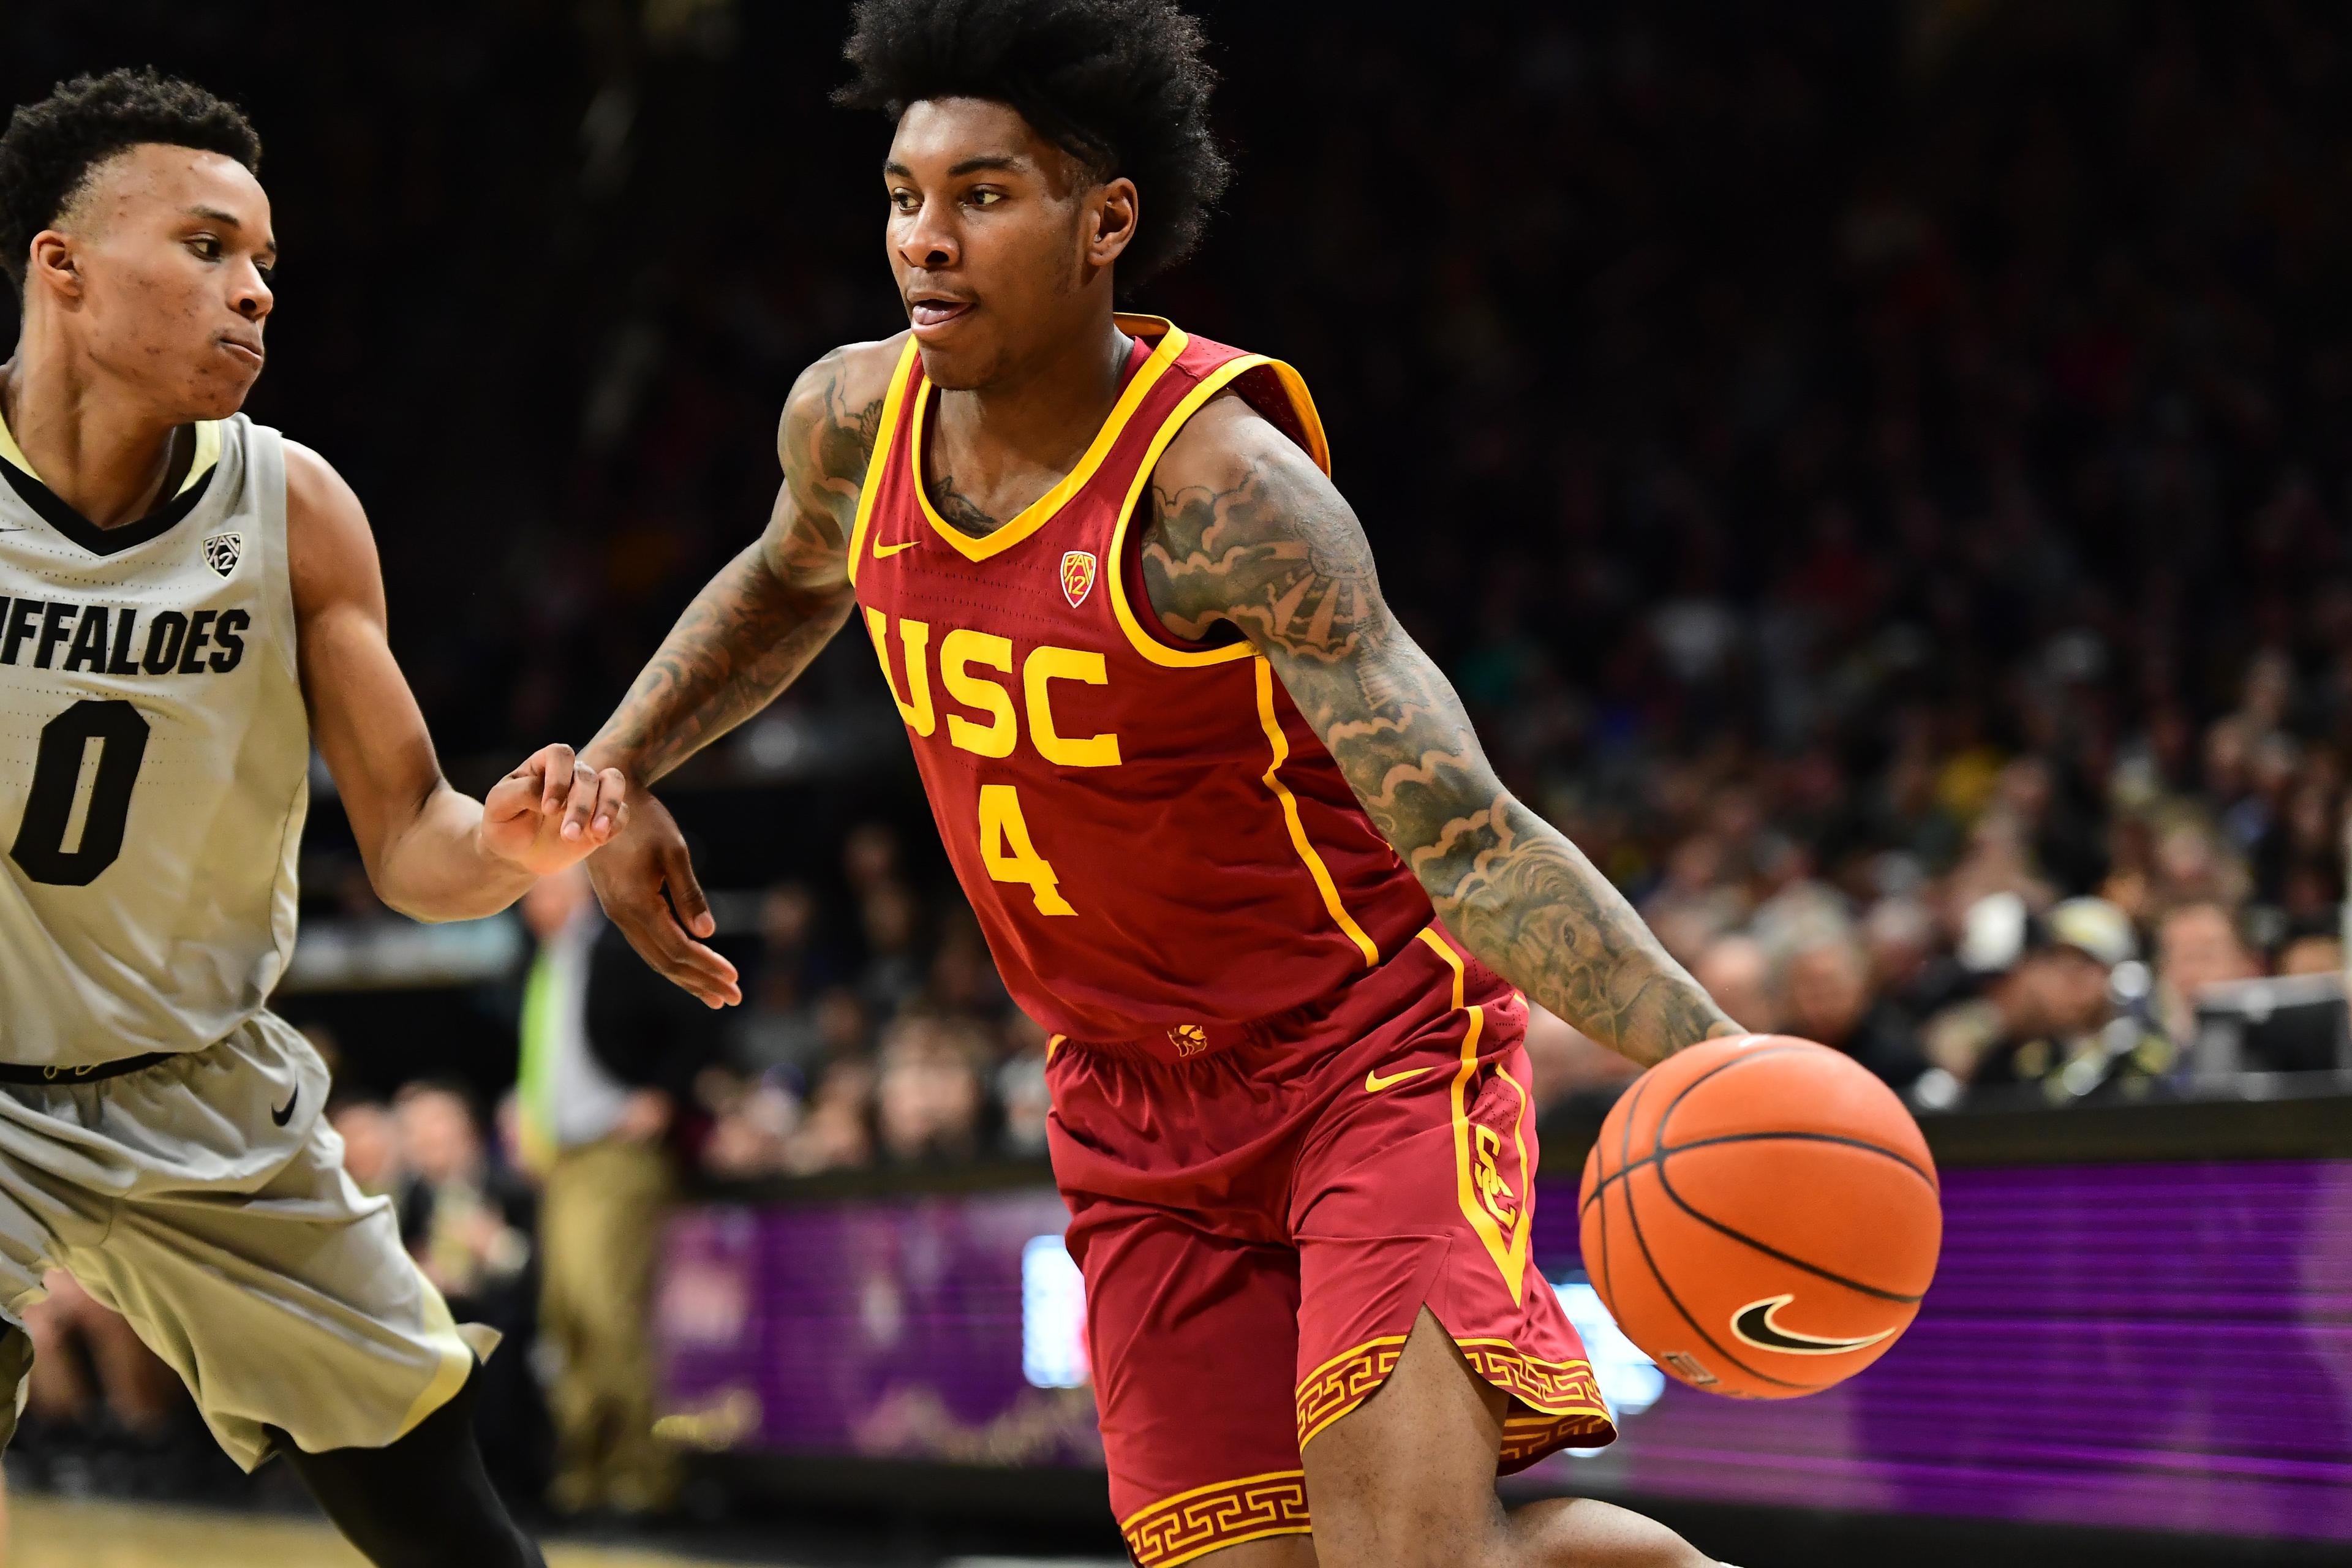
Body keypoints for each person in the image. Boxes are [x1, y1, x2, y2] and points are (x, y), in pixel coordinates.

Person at [575, 5, 1743, 1565]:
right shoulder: (851, 420)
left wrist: (1712, 1055)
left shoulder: (1227, 494)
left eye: (981, 195)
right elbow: (790, 575)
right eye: (903, 197)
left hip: (1364, 1058)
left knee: (1403, 1554)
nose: (925, 240)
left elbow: (1467, 836)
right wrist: (621, 760)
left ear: (1104, 219)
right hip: (1126, 1101)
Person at [0, 69, 628, 1567]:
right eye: (208, 247)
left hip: (196, 1076)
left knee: (446, 1519)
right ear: (61, 264)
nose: (255, 291)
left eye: (266, 262)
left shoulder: (294, 509)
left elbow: (414, 834)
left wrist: (512, 845)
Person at [516, 862, 717, 1518]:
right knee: (567, 1316)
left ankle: (645, 1475)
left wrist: (664, 1094)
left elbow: (697, 1011)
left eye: (536, 887)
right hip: (563, 1161)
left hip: (618, 1155)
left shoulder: (619, 942)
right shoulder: (545, 964)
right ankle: (587, 1473)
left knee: (610, 1310)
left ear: (571, 888)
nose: (526, 902)